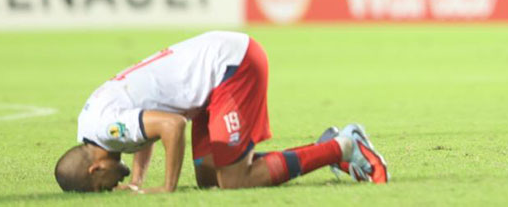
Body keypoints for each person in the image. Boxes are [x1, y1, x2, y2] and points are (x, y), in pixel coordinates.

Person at [54, 31, 388, 193]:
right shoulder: (91, 124)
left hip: (231, 67)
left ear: (96, 168)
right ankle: (326, 148)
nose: (112, 188)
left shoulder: (104, 129)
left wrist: (166, 187)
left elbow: (169, 126)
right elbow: (147, 124)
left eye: (102, 188)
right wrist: (139, 179)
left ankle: (345, 146)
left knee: (234, 180)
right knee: (209, 178)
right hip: (209, 83)